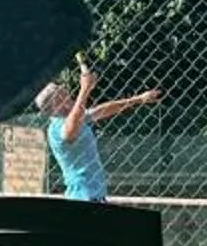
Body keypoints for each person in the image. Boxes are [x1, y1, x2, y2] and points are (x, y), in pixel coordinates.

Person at [34, 55, 160, 203]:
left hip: (95, 196)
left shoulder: (79, 118)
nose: (67, 94)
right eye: (61, 94)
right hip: (82, 197)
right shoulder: (56, 128)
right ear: (55, 104)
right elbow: (69, 133)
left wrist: (138, 99)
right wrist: (84, 90)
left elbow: (103, 110)